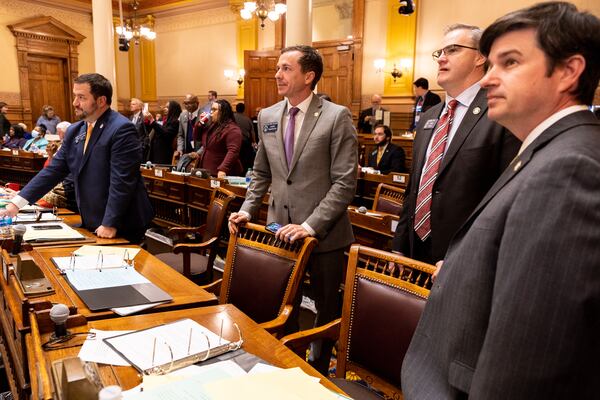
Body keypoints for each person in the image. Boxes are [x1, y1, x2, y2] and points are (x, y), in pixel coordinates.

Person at [401, 3, 600, 399]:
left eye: (509, 63)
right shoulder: (547, 148)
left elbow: (531, 350)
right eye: (490, 65)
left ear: (568, 71)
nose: (489, 79)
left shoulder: (571, 165)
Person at [228, 45, 357, 375]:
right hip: (279, 230)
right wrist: (247, 209)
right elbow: (261, 172)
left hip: (324, 235)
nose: (277, 74)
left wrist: (311, 226)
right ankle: (282, 362)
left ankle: (317, 370)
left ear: (308, 76)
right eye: (277, 68)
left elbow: (344, 183)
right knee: (284, 300)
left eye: (286, 68)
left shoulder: (335, 116)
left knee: (325, 308)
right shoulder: (268, 116)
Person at [392, 23, 520, 265]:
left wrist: (468, 256)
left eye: (452, 50)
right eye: (439, 53)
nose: (441, 59)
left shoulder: (500, 113)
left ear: (480, 57)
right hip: (413, 252)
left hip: (465, 258)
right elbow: (414, 189)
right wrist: (399, 246)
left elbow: (504, 200)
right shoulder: (429, 117)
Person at [0, 73, 153, 242]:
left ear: (101, 101)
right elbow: (53, 171)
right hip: (92, 221)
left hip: (121, 223)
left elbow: (122, 181)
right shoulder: (75, 130)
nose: (75, 103)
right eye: (75, 96)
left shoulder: (121, 129)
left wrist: (110, 222)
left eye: (81, 97)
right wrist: (16, 204)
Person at [186, 99, 243, 177]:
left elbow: (233, 151)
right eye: (211, 109)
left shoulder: (233, 129)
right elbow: (197, 138)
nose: (211, 112)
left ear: (223, 112)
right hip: (206, 170)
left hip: (221, 172)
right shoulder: (212, 125)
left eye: (214, 110)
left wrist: (223, 168)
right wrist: (200, 124)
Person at [145, 100, 182, 165]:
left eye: (167, 107)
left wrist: (152, 121)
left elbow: (166, 134)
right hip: (157, 152)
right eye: (165, 107)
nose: (165, 109)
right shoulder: (166, 120)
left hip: (164, 154)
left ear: (173, 109)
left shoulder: (175, 122)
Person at [233, 102, 256, 171]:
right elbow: (252, 132)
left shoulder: (232, 118)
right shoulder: (248, 119)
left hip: (234, 142)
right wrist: (254, 142)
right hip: (245, 143)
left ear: (236, 109)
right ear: (244, 110)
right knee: (244, 161)